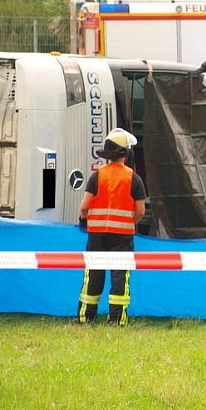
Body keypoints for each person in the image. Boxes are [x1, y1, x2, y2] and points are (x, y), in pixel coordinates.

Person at [76, 128, 146, 326]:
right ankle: (116, 320)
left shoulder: (97, 176)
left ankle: (86, 317)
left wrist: (85, 220)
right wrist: (128, 223)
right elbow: (140, 211)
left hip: (96, 236)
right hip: (123, 237)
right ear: (127, 153)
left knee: (93, 275)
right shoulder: (134, 178)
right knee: (119, 276)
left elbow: (84, 207)